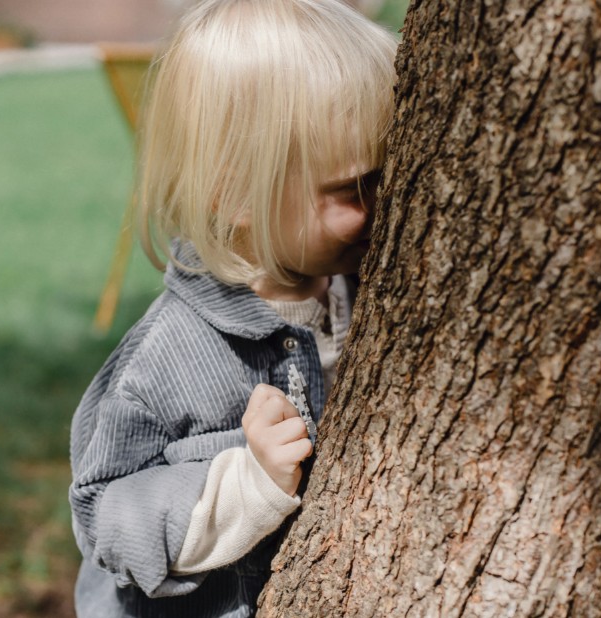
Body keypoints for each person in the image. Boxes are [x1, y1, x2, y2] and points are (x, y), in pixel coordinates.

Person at [69, 0, 397, 615]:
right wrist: (246, 484)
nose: (387, 202)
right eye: (354, 187)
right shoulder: (164, 359)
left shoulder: (354, 285)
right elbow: (104, 516)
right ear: (237, 193)